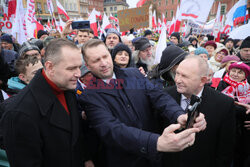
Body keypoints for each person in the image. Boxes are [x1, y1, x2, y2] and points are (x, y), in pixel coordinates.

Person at [78, 39, 206, 167]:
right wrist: (156, 142)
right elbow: (112, 129)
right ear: (88, 66)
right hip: (124, 161)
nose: (104, 63)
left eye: (105, 56)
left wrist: (179, 115)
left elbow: (158, 96)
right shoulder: (89, 96)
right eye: (96, 60)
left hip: (154, 159)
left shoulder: (133, 74)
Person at [0, 38, 89, 167]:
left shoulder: (67, 89)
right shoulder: (18, 113)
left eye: (79, 67)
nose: (78, 74)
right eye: (71, 68)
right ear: (49, 67)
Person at [162, 55, 236, 167]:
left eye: (185, 76)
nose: (177, 80)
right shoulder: (163, 96)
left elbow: (225, 149)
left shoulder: (224, 104)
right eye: (177, 73)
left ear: (203, 81)